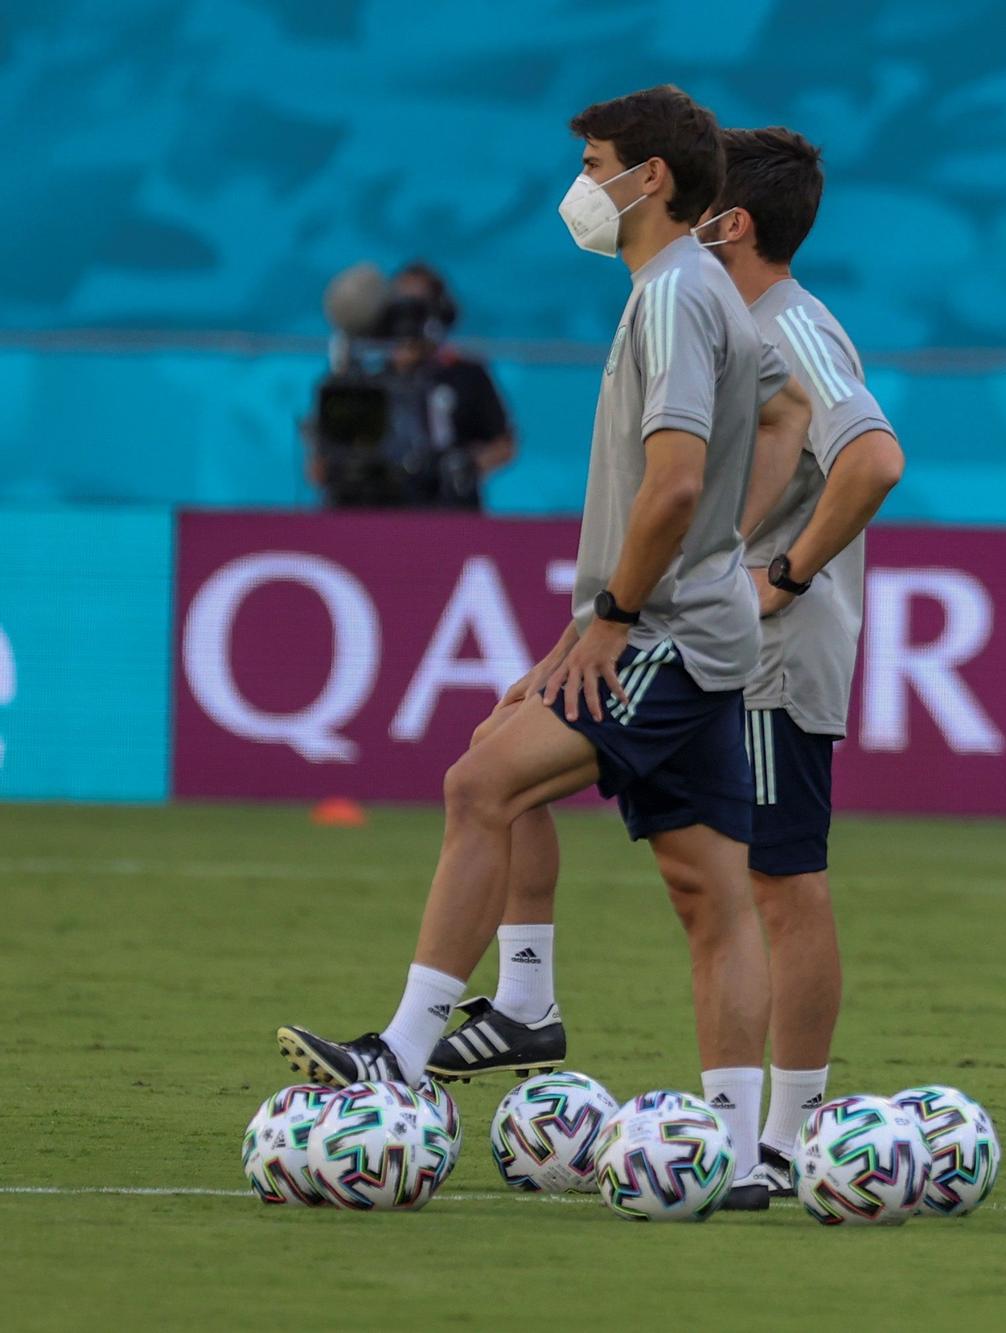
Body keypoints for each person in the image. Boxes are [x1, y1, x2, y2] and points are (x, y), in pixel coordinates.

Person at [275, 83, 813, 1211]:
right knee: (706, 886)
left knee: (480, 783)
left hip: (660, 629)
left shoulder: (671, 295)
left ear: (649, 178)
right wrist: (721, 551)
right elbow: (784, 416)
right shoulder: (705, 290)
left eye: (594, 160)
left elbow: (672, 479)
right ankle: (726, 1146)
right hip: (697, 619)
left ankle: (413, 1046)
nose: (579, 185)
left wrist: (614, 614)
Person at [427, 126, 905, 1204]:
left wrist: (772, 578)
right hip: (696, 644)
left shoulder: (794, 322)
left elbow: (872, 456)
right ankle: (535, 1003)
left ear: (727, 219)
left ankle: (785, 1133)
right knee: (530, 777)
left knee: (782, 881)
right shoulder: (713, 317)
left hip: (770, 654)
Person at [306, 262, 516, 509]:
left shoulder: (465, 374)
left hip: (445, 512)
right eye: (398, 306)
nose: (406, 321)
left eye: (417, 308)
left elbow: (504, 445)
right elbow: (318, 471)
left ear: (440, 312)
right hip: (370, 512)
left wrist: (467, 465)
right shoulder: (365, 381)